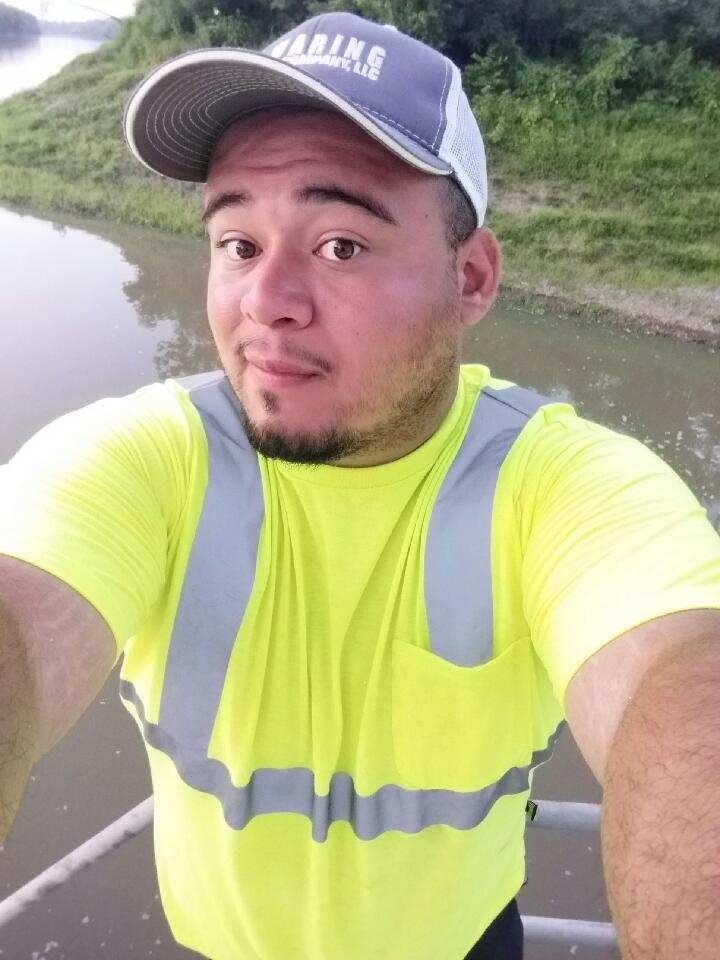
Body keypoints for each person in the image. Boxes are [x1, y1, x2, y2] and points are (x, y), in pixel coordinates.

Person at [1, 10, 719, 960]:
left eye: (340, 244)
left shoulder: (561, 486)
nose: (267, 303)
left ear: (470, 278)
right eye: (238, 244)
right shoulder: (142, 460)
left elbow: (683, 683)